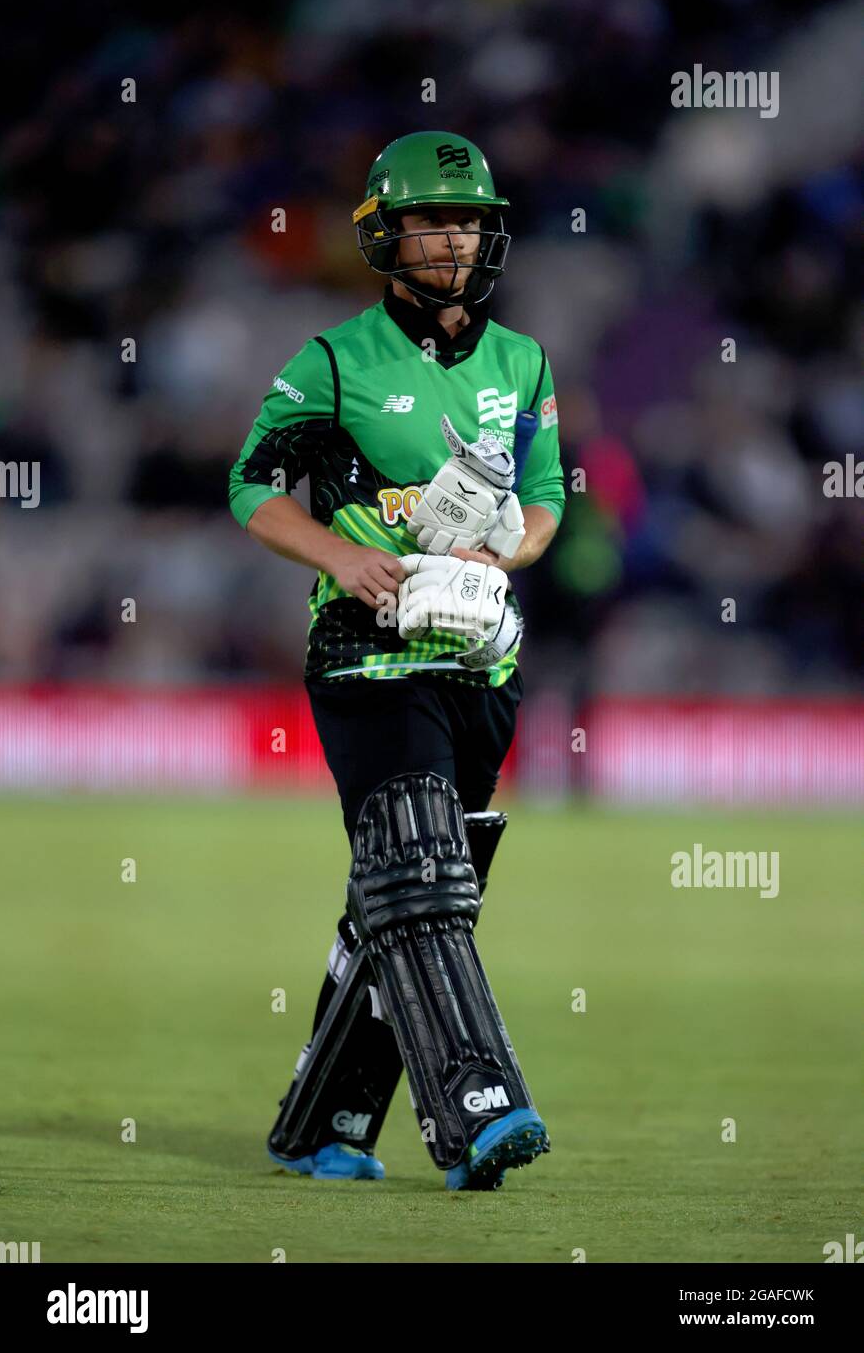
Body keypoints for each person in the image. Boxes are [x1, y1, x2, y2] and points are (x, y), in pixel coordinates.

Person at [228, 131, 565, 1190]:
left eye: (466, 222)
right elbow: (253, 487)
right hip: (365, 658)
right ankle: (479, 1108)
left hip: (479, 666)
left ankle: (321, 1124)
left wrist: (499, 553)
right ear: (385, 234)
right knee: (420, 877)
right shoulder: (331, 361)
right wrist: (345, 557)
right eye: (429, 223)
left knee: (404, 892)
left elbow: (548, 499)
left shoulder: (525, 363)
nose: (452, 241)